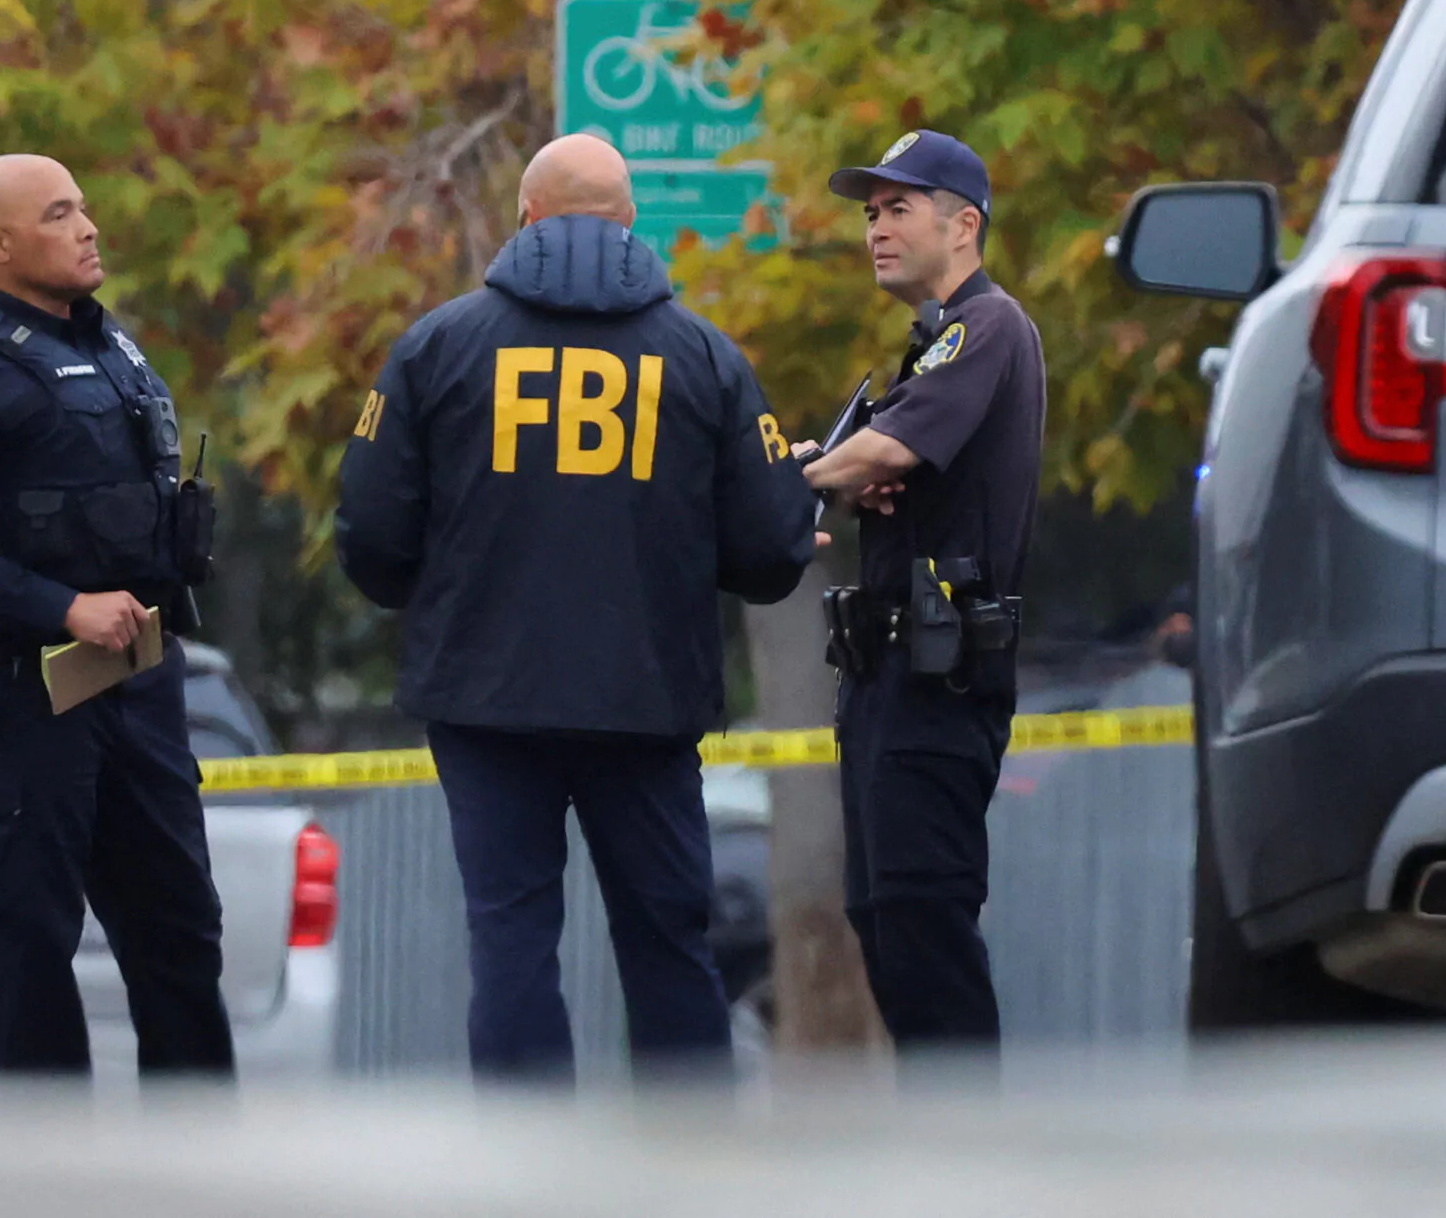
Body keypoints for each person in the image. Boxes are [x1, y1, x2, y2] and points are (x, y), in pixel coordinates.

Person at [335, 133, 818, 1081]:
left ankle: (528, 1151)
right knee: (668, 938)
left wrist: (440, 605)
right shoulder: (704, 355)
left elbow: (371, 527)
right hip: (647, 697)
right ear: (630, 222)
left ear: (526, 217)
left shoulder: (437, 346)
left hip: (484, 696)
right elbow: (771, 548)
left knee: (510, 938)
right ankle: (684, 1149)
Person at [0, 153, 232, 1076]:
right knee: (29, 951)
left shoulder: (114, 350)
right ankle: (48, 1159)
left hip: (138, 685)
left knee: (181, 935)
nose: (88, 227)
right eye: (58, 214)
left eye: (83, 207)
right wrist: (62, 605)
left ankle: (202, 1153)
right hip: (24, 699)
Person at [795, 129, 1046, 1050]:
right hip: (889, 679)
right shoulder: (935, 342)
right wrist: (842, 469)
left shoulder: (987, 325)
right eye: (870, 213)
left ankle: (963, 1137)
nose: (876, 228)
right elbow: (882, 458)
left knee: (924, 927)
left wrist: (799, 476)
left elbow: (890, 449)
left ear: (963, 223)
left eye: (898, 208)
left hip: (938, 680)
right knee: (886, 922)